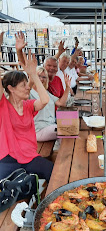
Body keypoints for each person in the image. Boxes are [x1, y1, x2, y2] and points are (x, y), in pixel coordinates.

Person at [0, 51, 53, 182]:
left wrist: (33, 74)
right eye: (23, 85)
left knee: (52, 171)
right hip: (8, 159)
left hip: (29, 157)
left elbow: (45, 99)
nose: (28, 88)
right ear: (11, 89)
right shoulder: (3, 106)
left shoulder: (28, 105)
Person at [30, 66, 71, 141]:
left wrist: (68, 87)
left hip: (51, 126)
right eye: (39, 76)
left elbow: (60, 103)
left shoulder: (46, 93)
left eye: (44, 77)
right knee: (66, 130)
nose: (41, 79)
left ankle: (63, 151)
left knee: (72, 125)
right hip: (39, 130)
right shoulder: (29, 93)